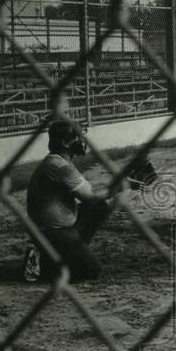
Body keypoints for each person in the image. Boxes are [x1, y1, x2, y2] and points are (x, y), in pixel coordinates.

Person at [24, 120, 117, 282]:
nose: (82, 141)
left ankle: (67, 254)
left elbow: (90, 193)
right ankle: (44, 264)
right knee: (91, 269)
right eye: (78, 137)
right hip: (52, 233)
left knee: (99, 207)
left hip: (61, 229)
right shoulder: (60, 166)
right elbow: (90, 194)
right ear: (65, 142)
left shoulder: (58, 162)